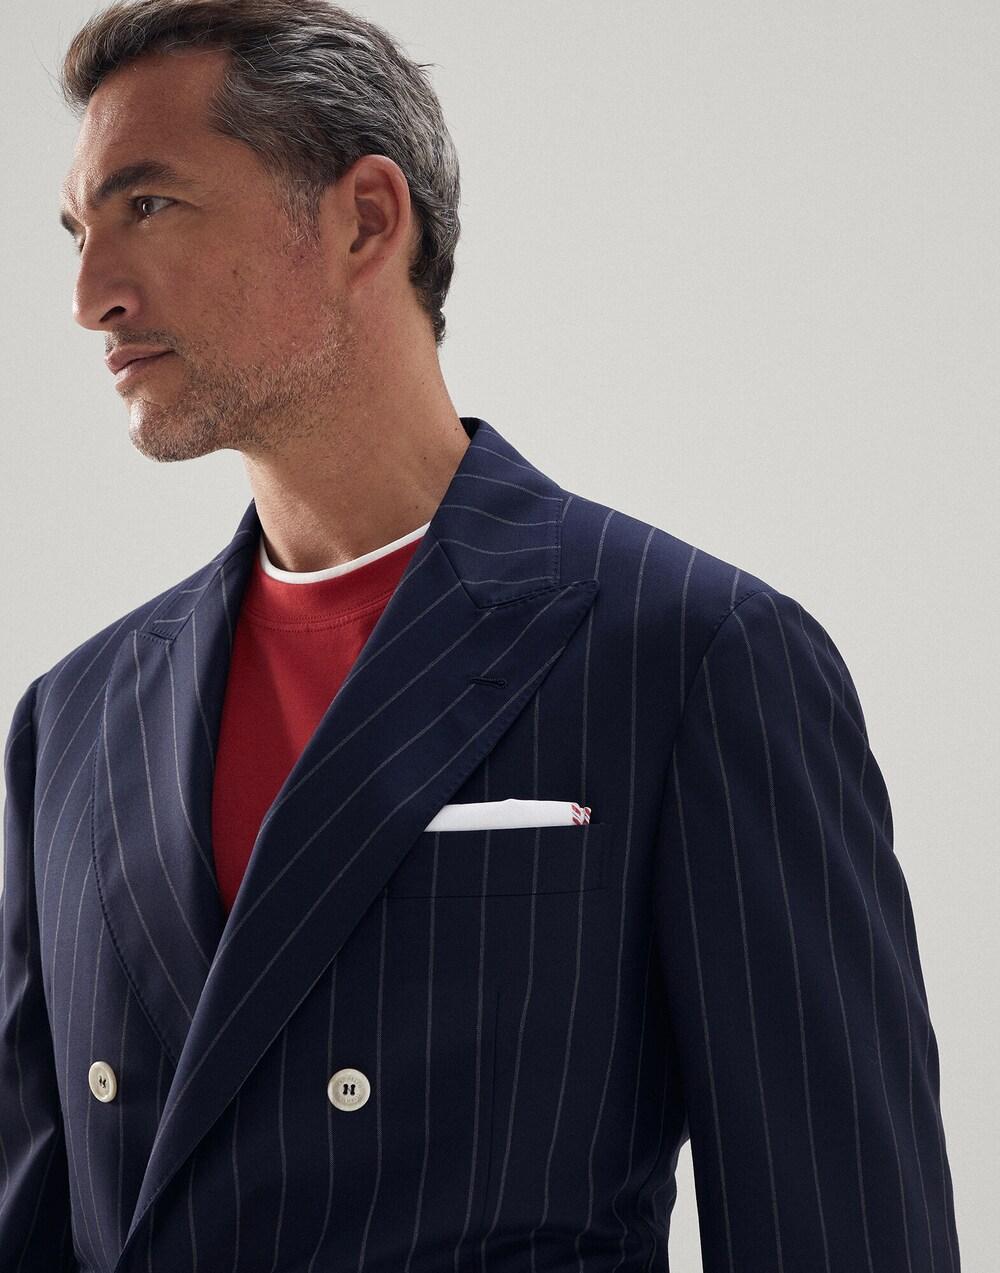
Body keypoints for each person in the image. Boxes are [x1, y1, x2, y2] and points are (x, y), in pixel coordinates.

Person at [1, 2, 961, 1270]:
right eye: (79, 232)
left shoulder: (691, 654)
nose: (91, 297)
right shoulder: (70, 720)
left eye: (149, 205)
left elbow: (840, 1231)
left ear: (364, 218)